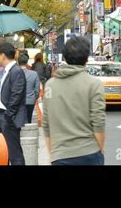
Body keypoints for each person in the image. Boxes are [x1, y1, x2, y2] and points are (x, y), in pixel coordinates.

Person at [42, 36, 106, 165]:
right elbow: (98, 123)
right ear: (87, 58)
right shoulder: (94, 84)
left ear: (64, 58)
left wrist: (54, 154)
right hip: (89, 153)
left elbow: (46, 124)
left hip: (59, 155)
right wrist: (99, 150)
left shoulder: (50, 85)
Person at [0, 42, 28, 165]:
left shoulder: (16, 71)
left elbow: (16, 95)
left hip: (8, 118)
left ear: (3, 55)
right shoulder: (7, 71)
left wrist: (8, 116)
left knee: (14, 154)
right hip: (2, 117)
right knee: (4, 153)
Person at [18, 54, 40, 124]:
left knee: (19, 119)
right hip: (30, 100)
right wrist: (34, 97)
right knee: (29, 118)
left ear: (18, 62)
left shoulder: (14, 73)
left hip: (18, 100)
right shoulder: (34, 74)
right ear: (27, 62)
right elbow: (37, 89)